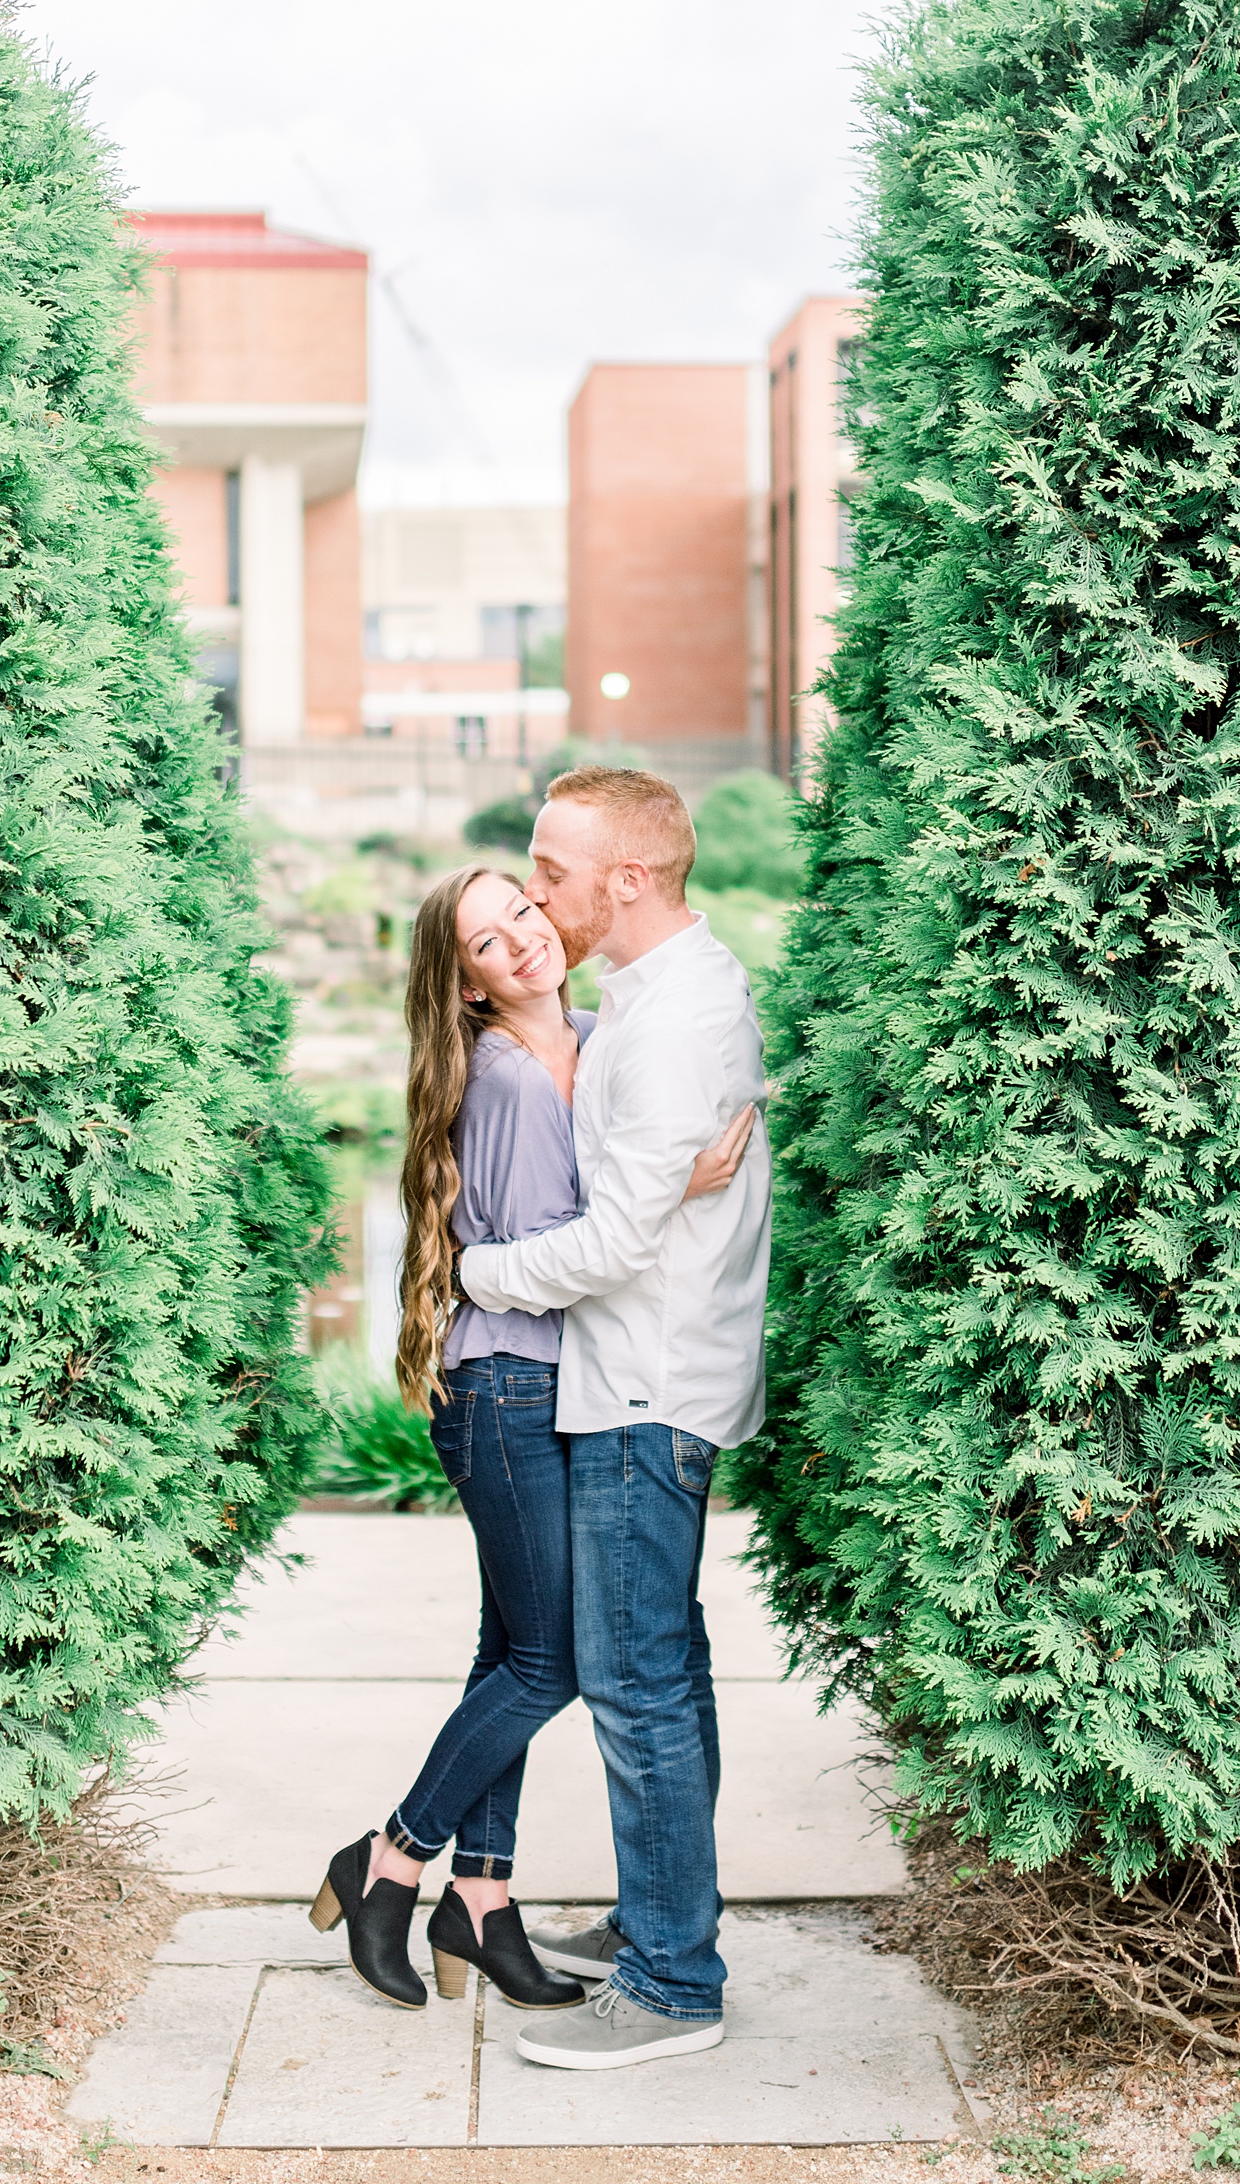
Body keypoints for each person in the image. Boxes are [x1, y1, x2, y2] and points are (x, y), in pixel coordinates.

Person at [309, 862, 753, 2016]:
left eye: (522, 912)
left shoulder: (604, 1040)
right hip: (505, 1387)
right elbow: (577, 1243)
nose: (521, 941)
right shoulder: (506, 1079)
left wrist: (679, 1181)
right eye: (487, 944)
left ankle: (485, 1901)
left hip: (569, 1386)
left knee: (508, 1649)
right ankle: (392, 1860)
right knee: (551, 1658)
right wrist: (675, 1189)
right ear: (465, 988)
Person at [456, 766, 772, 2074]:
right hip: (641, 1376)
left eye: (553, 870)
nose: (536, 891)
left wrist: (471, 1274)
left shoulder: (674, 1019)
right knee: (659, 1679)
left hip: (645, 1389)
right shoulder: (645, 995)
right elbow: (639, 1191)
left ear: (625, 880)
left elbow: (612, 1243)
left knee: (635, 1689)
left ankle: (669, 1987)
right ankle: (663, 1924)